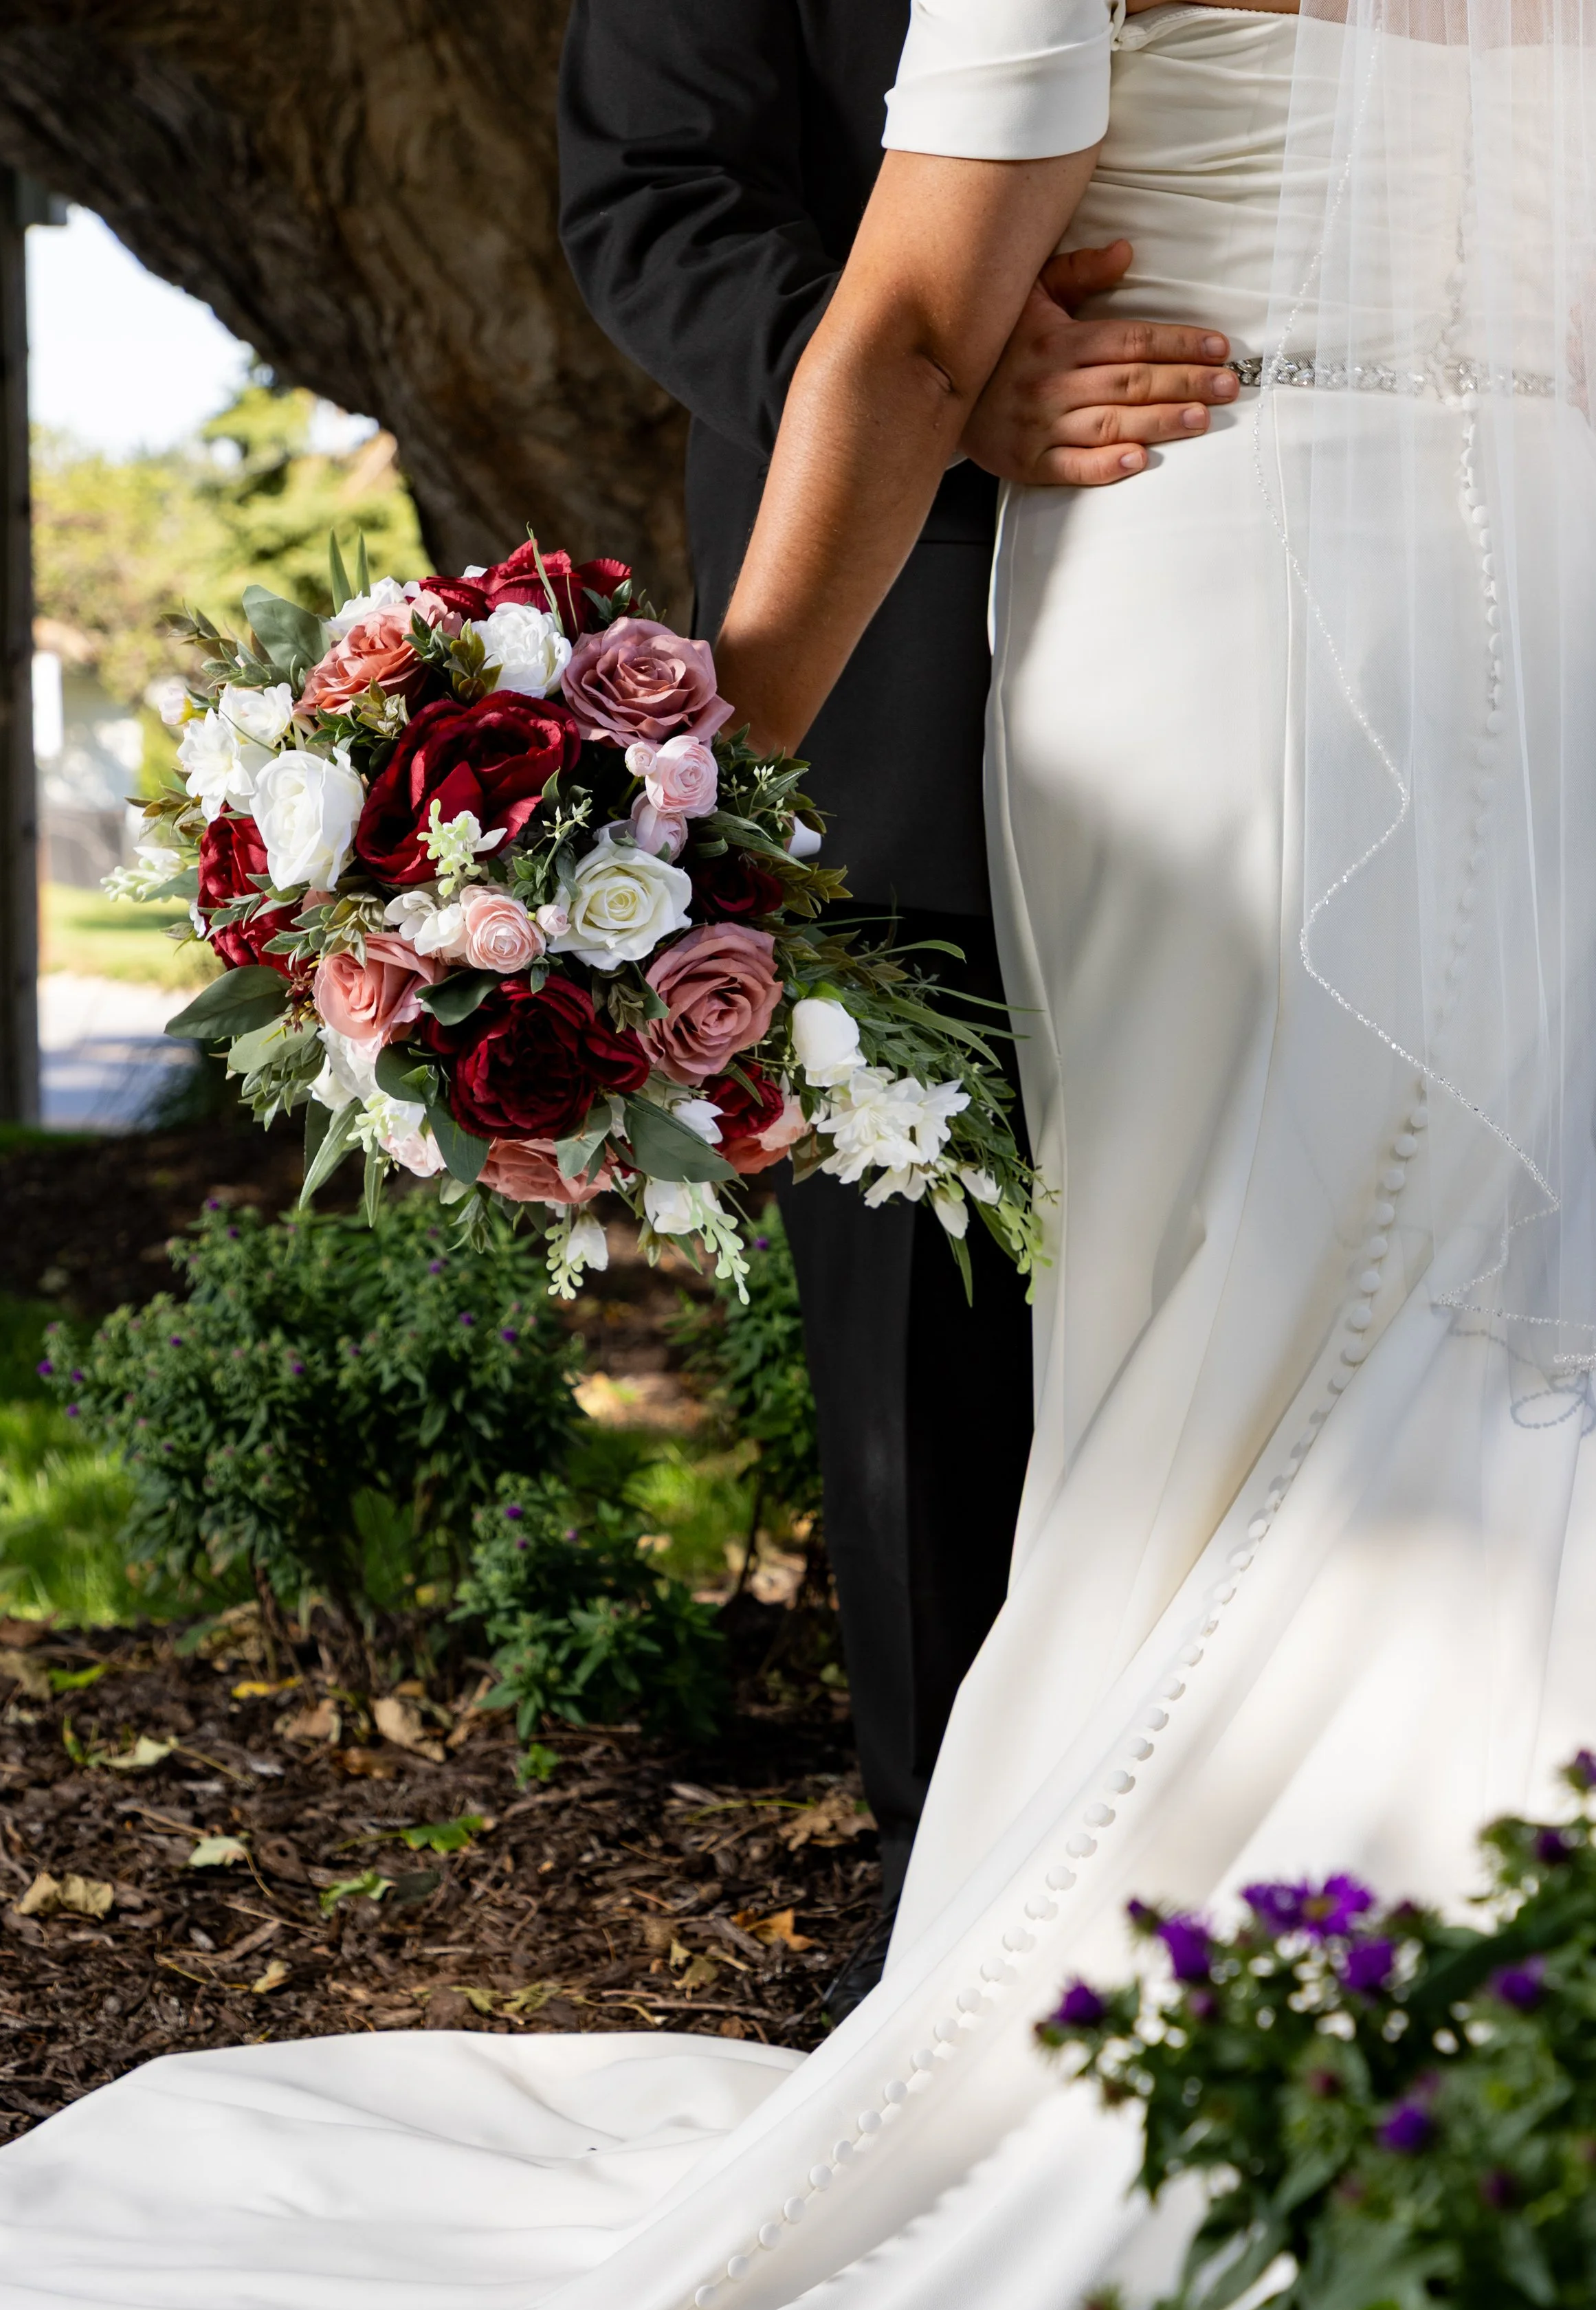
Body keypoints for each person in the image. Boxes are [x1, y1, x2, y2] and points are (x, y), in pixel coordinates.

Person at [0, 0, 1596, 2310]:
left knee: (1204, 1379)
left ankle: (1219, 2052)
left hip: (1227, 593)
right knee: (1439, 1353)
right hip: (1546, 601)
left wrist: (667, 790)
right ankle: (1512, 2029)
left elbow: (893, 327)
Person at [559, 0, 1240, 1913]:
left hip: (1310, 610)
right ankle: (943, 1892)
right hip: (901, 659)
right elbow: (652, 192)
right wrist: (946, 399)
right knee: (924, 1316)